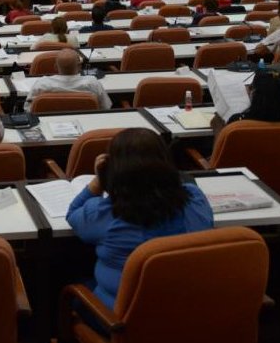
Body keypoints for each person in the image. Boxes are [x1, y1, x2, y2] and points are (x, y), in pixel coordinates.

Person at [67, 128, 214, 310]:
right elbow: (178, 185)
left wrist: (99, 181)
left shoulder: (107, 213)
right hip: (186, 313)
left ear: (114, 170)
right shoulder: (196, 201)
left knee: (73, 280)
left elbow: (73, 213)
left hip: (121, 321)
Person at [212, 70, 280, 136]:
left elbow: (224, 153)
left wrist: (218, 130)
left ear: (254, 93)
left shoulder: (238, 122)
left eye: (250, 87)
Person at [27, 48, 112, 109]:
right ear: (79, 66)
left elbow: (28, 109)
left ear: (55, 67)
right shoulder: (92, 83)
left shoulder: (42, 84)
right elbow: (106, 107)